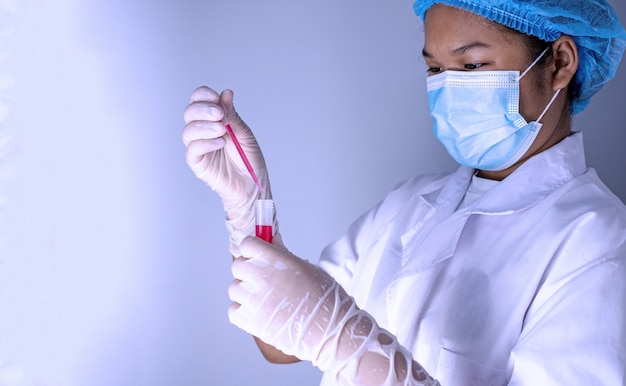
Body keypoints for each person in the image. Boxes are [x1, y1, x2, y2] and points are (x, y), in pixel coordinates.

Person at [182, 0, 626, 384]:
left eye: (471, 65)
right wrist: (250, 210)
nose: (448, 86)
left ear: (561, 62)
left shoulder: (598, 243)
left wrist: (346, 345)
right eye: (434, 68)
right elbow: (279, 340)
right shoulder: (408, 206)